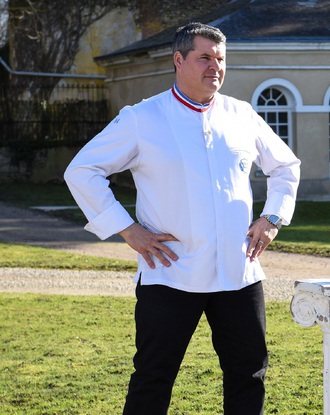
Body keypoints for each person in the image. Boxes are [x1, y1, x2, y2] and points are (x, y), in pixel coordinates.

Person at [64, 22, 300, 415]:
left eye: (221, 59)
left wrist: (272, 218)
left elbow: (286, 167)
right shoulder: (143, 118)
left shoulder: (241, 114)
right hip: (170, 272)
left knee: (249, 372)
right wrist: (127, 228)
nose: (215, 67)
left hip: (238, 273)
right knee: (153, 377)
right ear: (179, 60)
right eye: (205, 57)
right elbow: (83, 170)